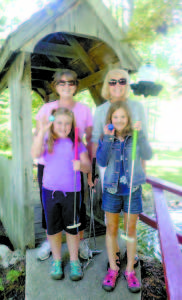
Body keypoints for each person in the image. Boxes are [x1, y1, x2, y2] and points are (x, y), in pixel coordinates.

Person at [89, 68, 149, 268]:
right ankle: (114, 260)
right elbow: (95, 143)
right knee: (111, 223)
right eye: (112, 81)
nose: (117, 85)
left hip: (132, 175)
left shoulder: (138, 107)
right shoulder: (100, 110)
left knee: (131, 223)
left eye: (122, 81)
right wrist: (92, 171)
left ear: (127, 84)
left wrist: (143, 174)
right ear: (107, 84)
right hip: (109, 173)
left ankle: (131, 259)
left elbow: (143, 142)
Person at [35, 69, 93, 261]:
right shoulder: (46, 109)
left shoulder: (84, 109)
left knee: (77, 206)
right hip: (49, 164)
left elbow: (89, 139)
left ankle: (79, 240)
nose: (67, 86)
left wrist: (89, 169)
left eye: (71, 82)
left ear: (76, 86)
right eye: (62, 82)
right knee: (49, 206)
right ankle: (51, 242)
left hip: (74, 163)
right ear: (55, 85)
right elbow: (39, 135)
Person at [96, 101, 152, 292]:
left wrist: (142, 134)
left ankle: (129, 270)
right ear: (110, 119)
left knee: (130, 230)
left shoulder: (135, 136)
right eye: (115, 117)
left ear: (128, 119)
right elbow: (102, 161)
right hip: (112, 191)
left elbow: (148, 154)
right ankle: (113, 268)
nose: (119, 120)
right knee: (111, 228)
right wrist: (109, 138)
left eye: (122, 117)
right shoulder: (106, 138)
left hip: (132, 191)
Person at [31, 108, 91, 280]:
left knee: (72, 229)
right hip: (50, 192)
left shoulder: (76, 143)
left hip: (72, 193)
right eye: (59, 123)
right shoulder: (46, 140)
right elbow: (34, 154)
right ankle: (57, 260)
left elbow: (87, 167)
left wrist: (80, 165)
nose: (63, 127)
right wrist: (42, 130)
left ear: (72, 126)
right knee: (53, 228)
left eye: (67, 124)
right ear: (53, 123)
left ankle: (74, 261)